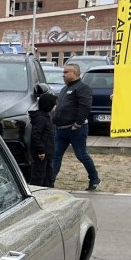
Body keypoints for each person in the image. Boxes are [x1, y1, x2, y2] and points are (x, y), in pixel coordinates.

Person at [50, 63, 99, 191]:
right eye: (63, 72)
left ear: (75, 73)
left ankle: (94, 178)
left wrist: (78, 124)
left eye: (66, 72)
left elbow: (85, 107)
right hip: (60, 130)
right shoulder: (64, 89)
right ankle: (50, 181)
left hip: (76, 130)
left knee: (81, 155)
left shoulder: (82, 88)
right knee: (56, 155)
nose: (63, 75)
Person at [27, 91, 57, 186]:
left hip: (47, 153)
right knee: (39, 176)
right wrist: (41, 151)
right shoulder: (41, 118)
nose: (55, 107)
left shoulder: (46, 117)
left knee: (48, 175)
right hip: (42, 154)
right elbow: (36, 135)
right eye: (53, 105)